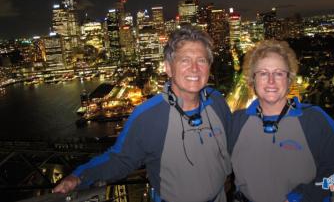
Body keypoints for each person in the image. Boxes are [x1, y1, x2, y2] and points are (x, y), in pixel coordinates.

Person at [53, 26, 232, 202]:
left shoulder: (217, 102)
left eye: (201, 60)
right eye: (184, 60)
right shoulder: (147, 116)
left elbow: (232, 145)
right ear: (168, 68)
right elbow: (120, 160)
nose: (194, 69)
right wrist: (79, 177)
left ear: (209, 67)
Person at [229, 40, 334, 202]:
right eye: (262, 73)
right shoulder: (237, 121)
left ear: (289, 80)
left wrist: (301, 197)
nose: (271, 81)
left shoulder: (313, 120)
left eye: (279, 73)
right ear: (251, 80)